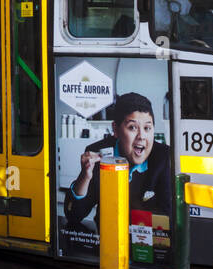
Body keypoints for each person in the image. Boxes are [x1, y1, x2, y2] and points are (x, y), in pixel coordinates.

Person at [64, 93, 172, 230]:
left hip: (144, 241)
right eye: (133, 127)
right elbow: (73, 215)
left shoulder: (163, 157)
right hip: (107, 236)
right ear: (115, 129)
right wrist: (85, 177)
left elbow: (167, 218)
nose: (142, 137)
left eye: (147, 128)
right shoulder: (98, 152)